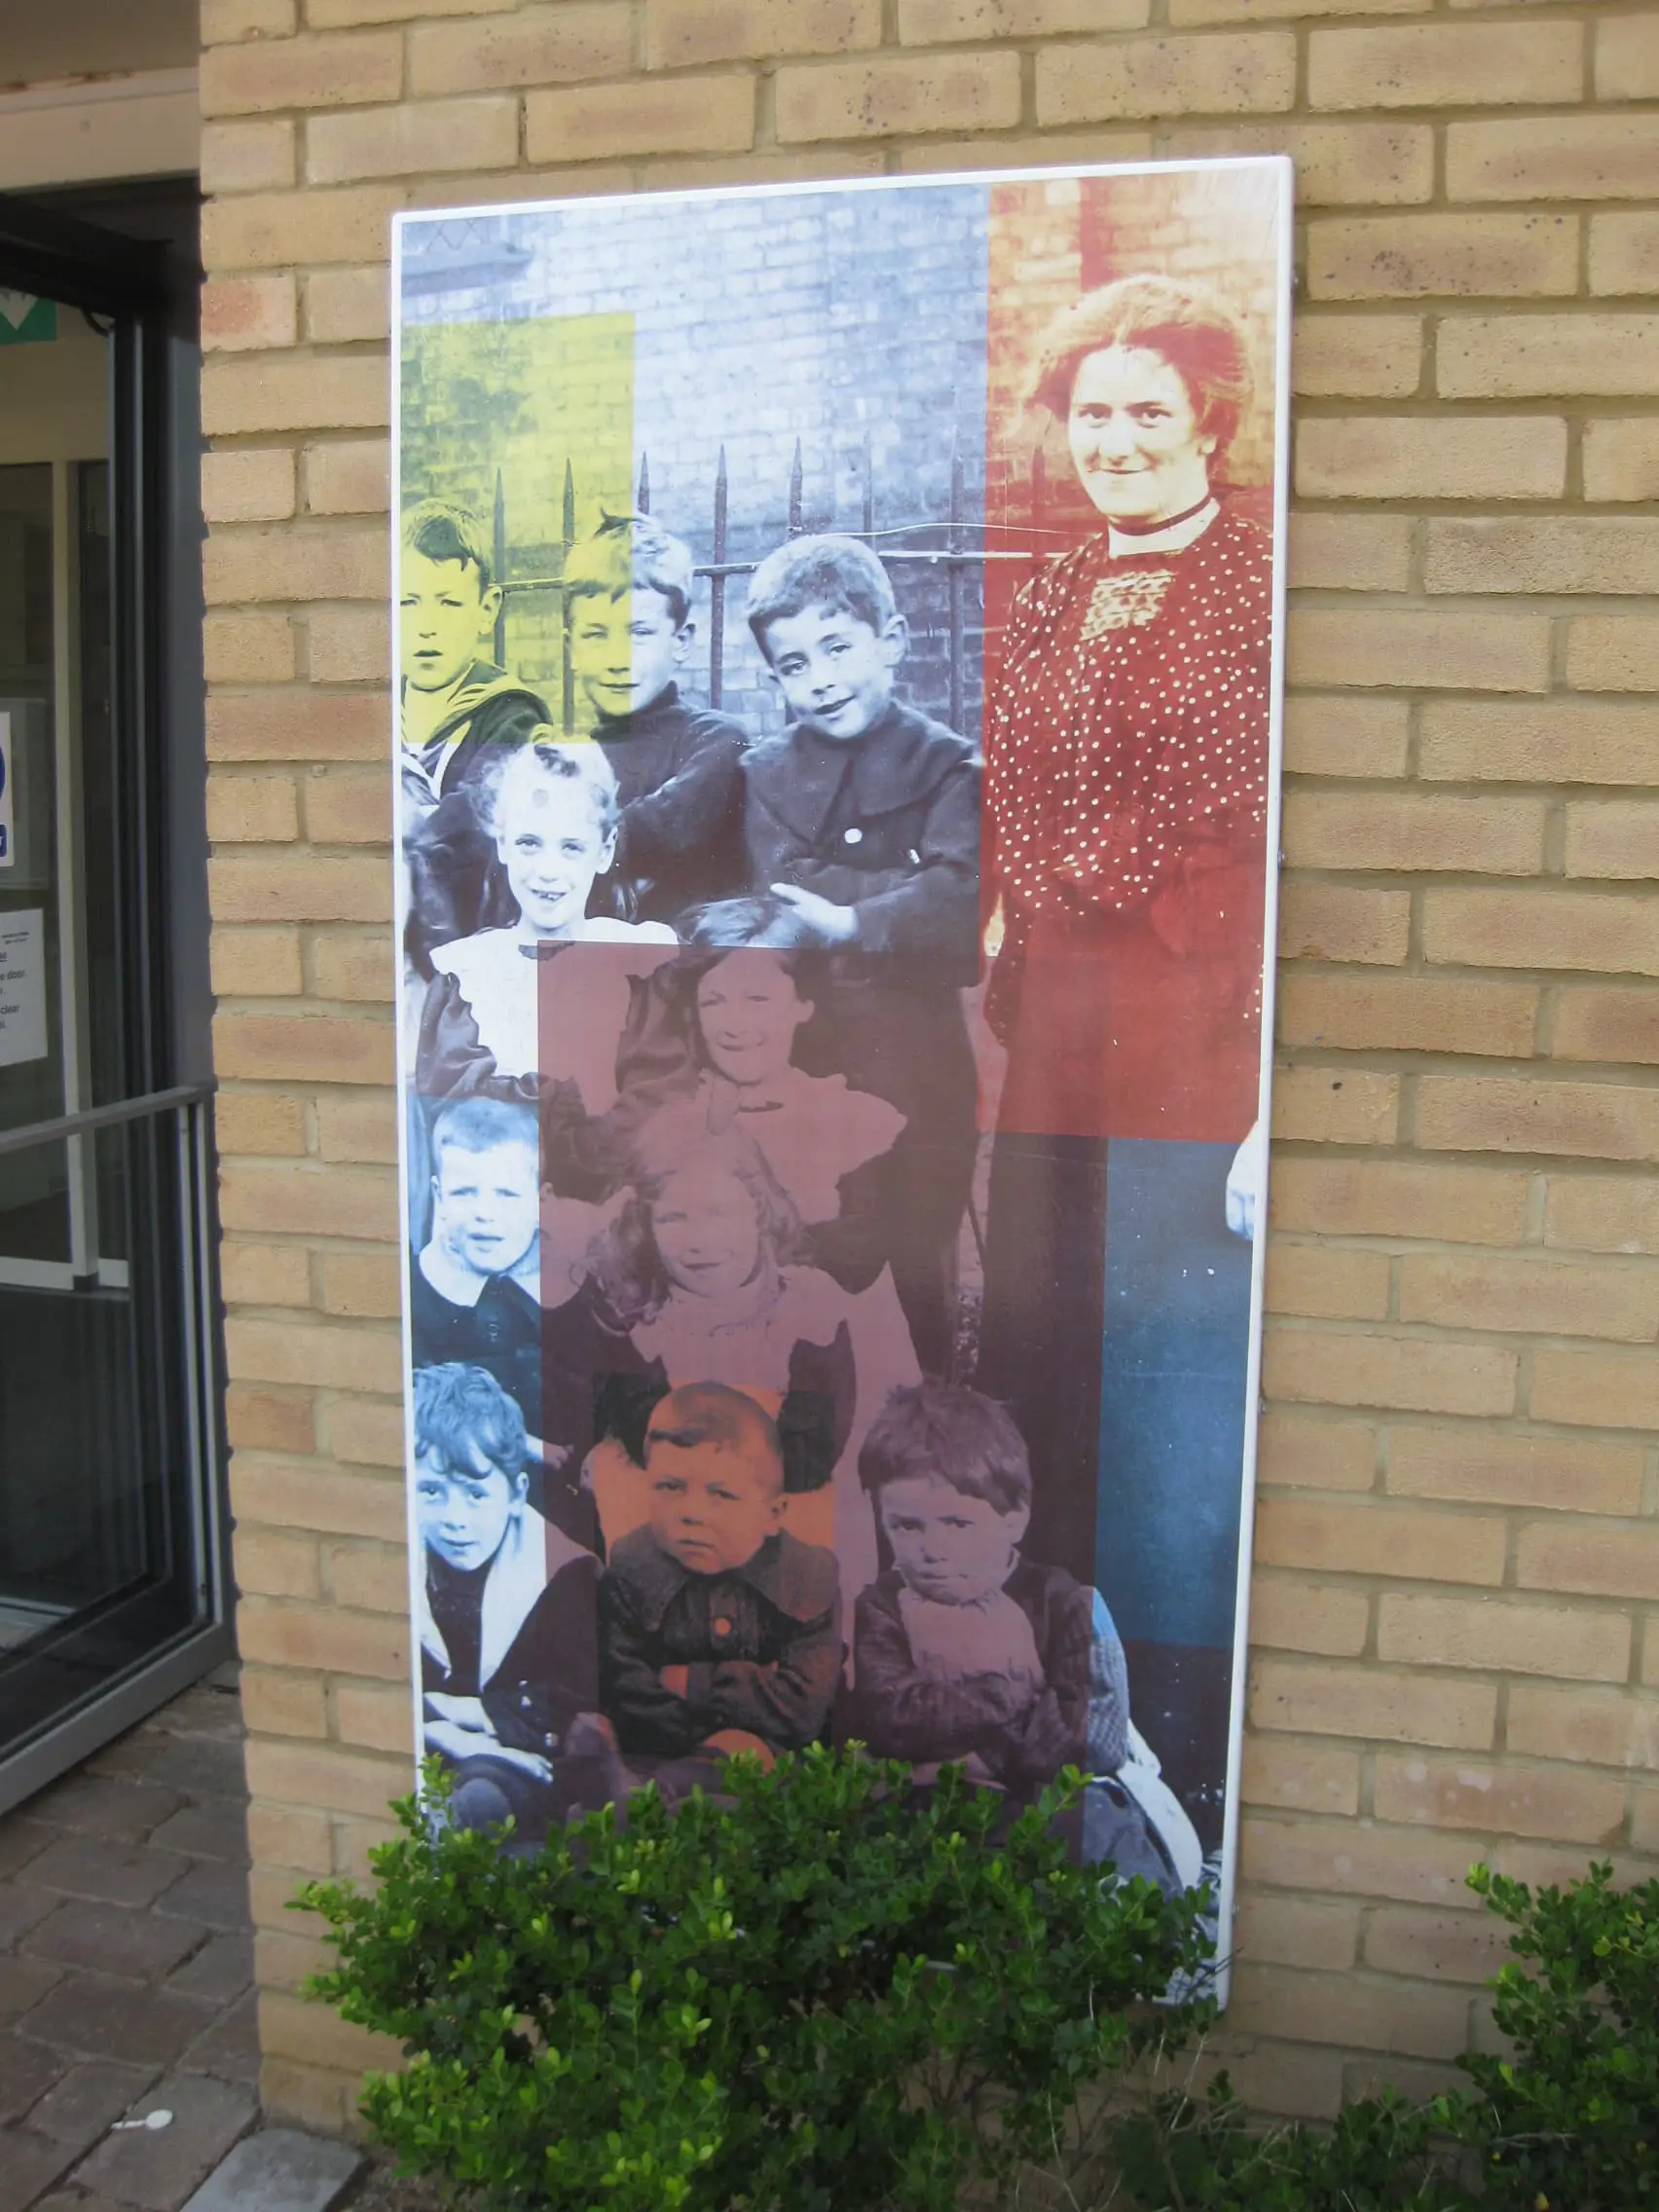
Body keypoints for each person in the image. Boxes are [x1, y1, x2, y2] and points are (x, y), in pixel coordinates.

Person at [977, 275, 1273, 1576]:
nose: (1118, 441)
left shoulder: (1261, 579)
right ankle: (1034, 1614)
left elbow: (1253, 820)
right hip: (1057, 1020)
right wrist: (1025, 910)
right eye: (1093, 412)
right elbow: (1011, 786)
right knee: (1045, 1313)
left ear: (1209, 424)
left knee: (1160, 1335)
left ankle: (1152, 1630)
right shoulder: (1049, 591)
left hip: (1188, 1015)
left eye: (1149, 411)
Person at [740, 537, 981, 1375]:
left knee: (920, 1268)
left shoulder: (949, 768)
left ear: (894, 639)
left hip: (920, 1069)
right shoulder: (766, 774)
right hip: (810, 1062)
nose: (821, 679)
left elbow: (961, 902)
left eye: (838, 648)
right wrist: (895, 887)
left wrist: (846, 921)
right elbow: (780, 884)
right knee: (814, 1261)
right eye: (795, 663)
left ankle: (933, 1417)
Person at [541, 1110, 858, 1534]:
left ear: (759, 1212)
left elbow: (810, 1457)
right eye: (673, 1219)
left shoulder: (807, 1311)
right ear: (646, 1226)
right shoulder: (635, 1322)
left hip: (779, 1531)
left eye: (719, 1213)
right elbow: (631, 1435)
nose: (701, 1242)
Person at [845, 1380, 1126, 1797]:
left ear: (1014, 1520)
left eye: (957, 1524)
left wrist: (982, 1759)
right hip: (920, 1803)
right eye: (906, 1526)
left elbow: (1095, 1735)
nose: (932, 1550)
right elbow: (894, 1720)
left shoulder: (1067, 1602)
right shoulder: (882, 1606)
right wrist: (1008, 1698)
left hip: (1041, 1805)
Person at [415, 738, 678, 1113]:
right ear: (502, 844)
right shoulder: (466, 974)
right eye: (529, 844)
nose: (548, 872)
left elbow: (665, 1085)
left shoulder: (643, 958)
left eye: (571, 847)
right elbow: (455, 1103)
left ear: (604, 851)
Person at [598, 1382, 842, 1759]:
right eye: (671, 1487)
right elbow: (629, 1696)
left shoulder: (809, 1579)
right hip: (666, 1756)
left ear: (773, 1514)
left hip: (782, 1768)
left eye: (721, 1494)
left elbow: (802, 1709)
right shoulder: (631, 1569)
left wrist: (687, 1682)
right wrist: (713, 1739)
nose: (692, 1512)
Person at [413, 1362, 600, 1843]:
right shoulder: (410, 1558)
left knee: (481, 1800)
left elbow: (574, 1694)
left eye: (476, 1494)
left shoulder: (559, 1571)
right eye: (431, 1491)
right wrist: (447, 1730)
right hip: (434, 1740)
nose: (454, 1519)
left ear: (516, 1494)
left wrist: (478, 1719)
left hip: (526, 1760)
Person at [565, 511, 749, 927]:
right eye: (596, 634)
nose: (617, 660)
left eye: (639, 633)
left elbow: (662, 830)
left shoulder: (715, 740)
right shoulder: (569, 758)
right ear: (571, 648)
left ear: (681, 641)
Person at [399, 498, 547, 977]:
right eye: (408, 602)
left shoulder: (509, 715)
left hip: (470, 935)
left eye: (448, 602)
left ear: (487, 610)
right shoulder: (380, 707)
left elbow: (474, 821)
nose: (427, 624)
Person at [410, 1099, 542, 1445]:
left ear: (539, 1202)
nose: (485, 1213)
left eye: (507, 1194)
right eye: (465, 1193)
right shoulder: (414, 1297)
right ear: (440, 1198)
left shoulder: (570, 1294)